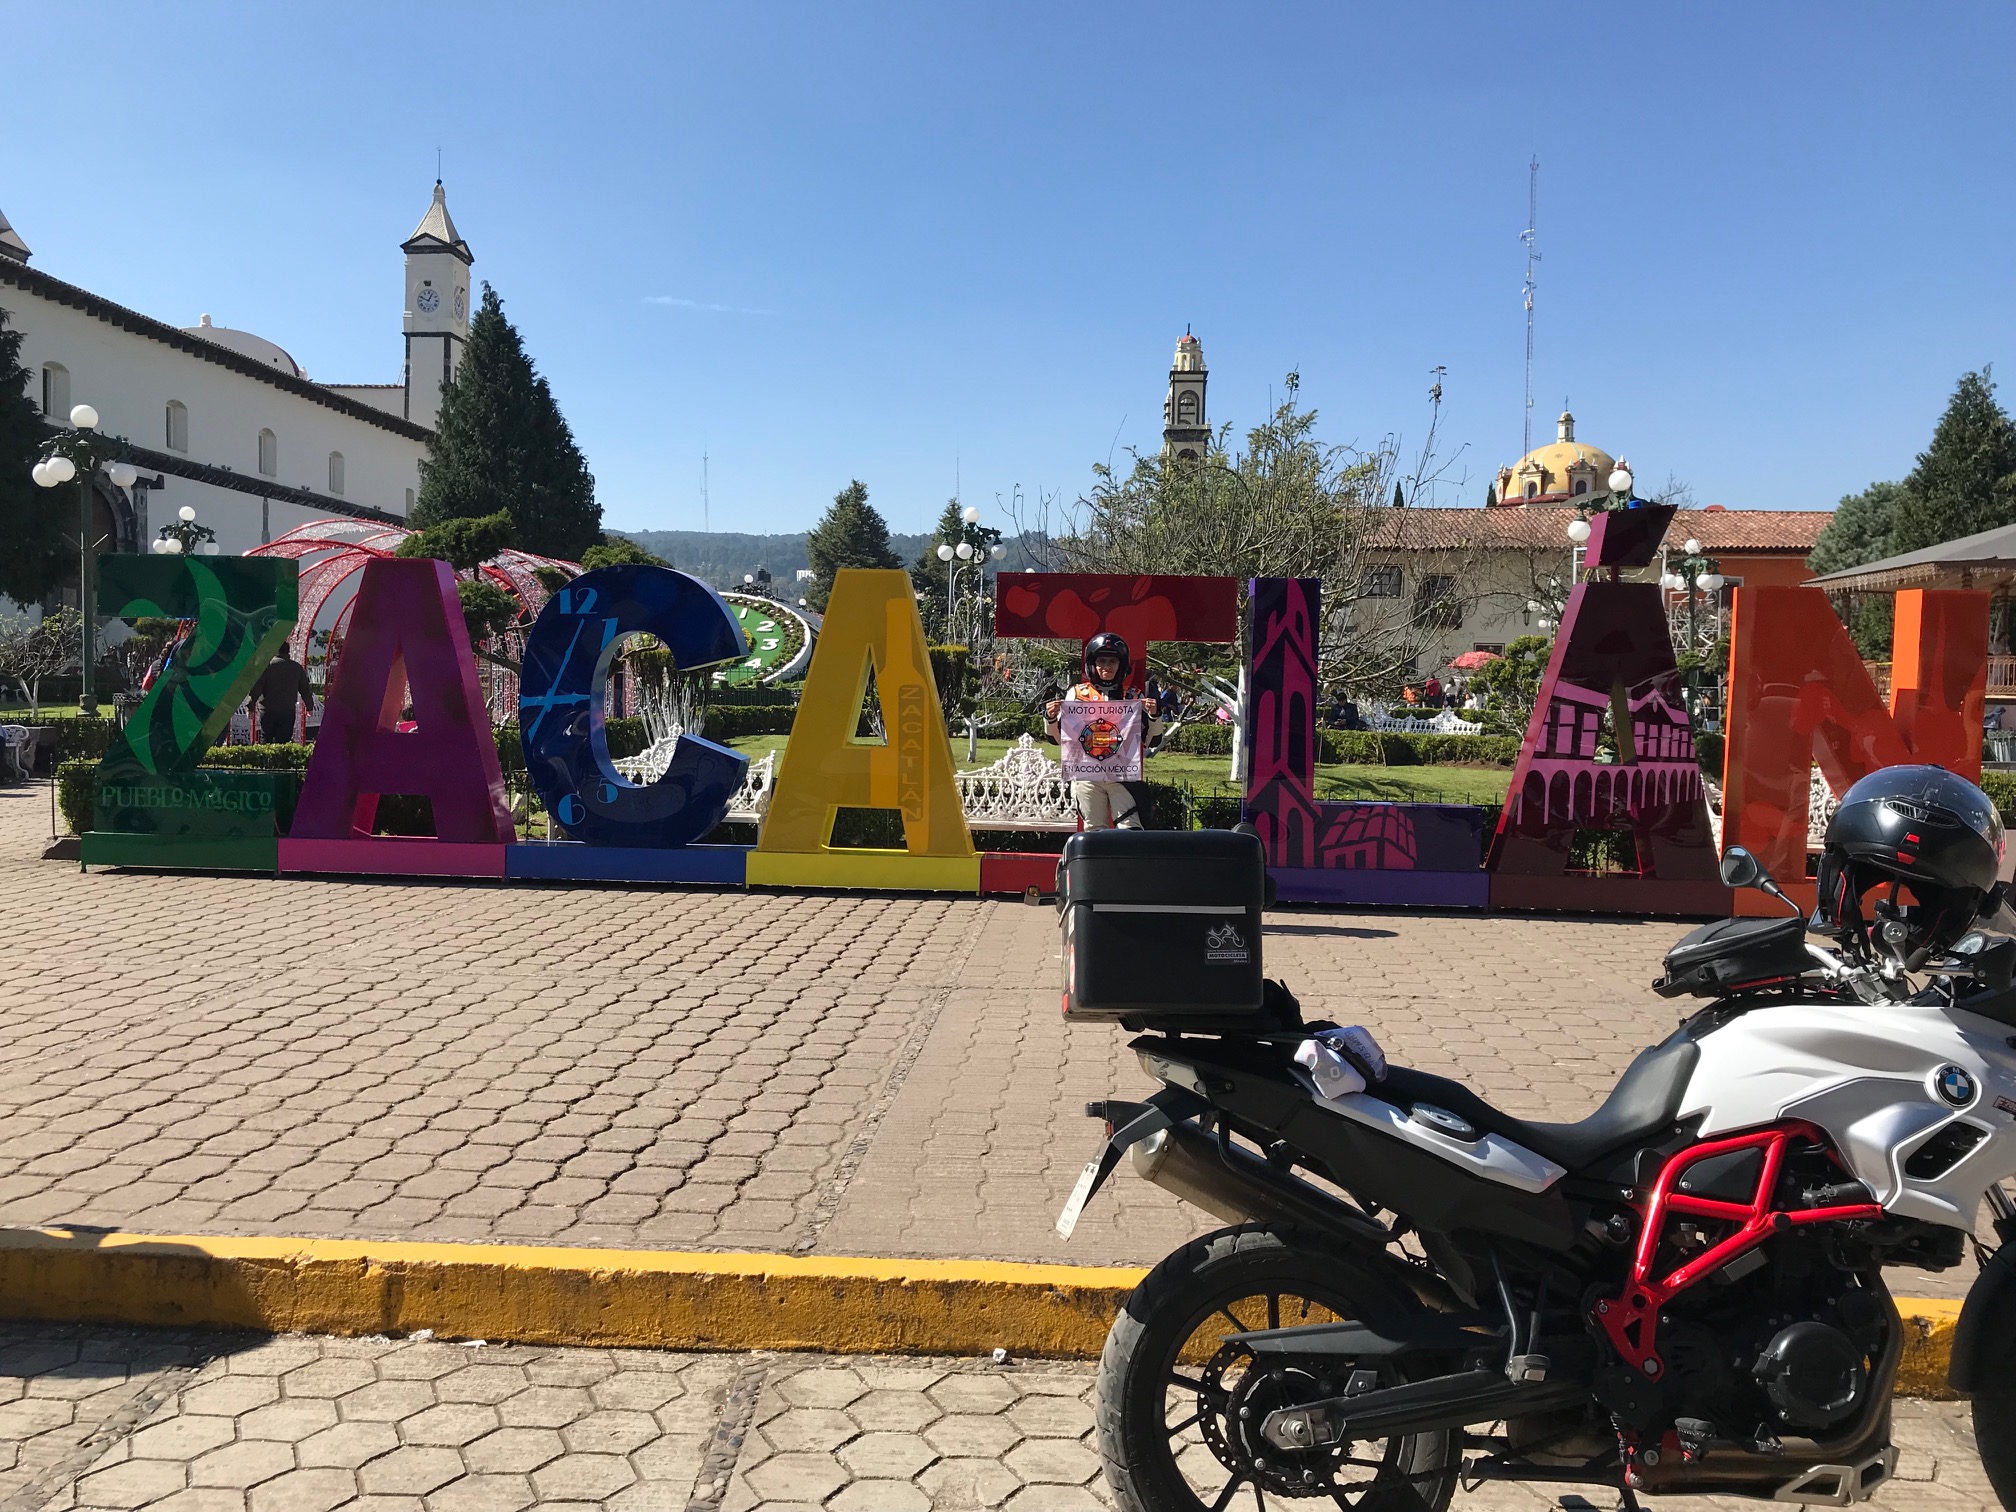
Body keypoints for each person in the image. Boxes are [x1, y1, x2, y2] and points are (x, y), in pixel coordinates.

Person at [1044, 633, 1160, 830]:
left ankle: (1127, 862)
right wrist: (1050, 718)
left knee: (1130, 829)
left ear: (1121, 665)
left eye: (1113, 661)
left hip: (1122, 777)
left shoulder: (1134, 696)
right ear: (1092, 664)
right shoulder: (1077, 693)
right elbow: (1057, 739)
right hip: (1087, 775)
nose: (1107, 666)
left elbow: (1153, 740)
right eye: (1102, 660)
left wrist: (1154, 716)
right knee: (1094, 831)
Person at [247, 642, 315, 744]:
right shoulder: (296, 668)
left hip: (268, 709)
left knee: (266, 739)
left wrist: (250, 706)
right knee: (284, 741)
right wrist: (309, 706)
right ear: (288, 651)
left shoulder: (267, 666)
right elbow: (305, 689)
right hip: (287, 710)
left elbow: (257, 688)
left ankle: (267, 760)